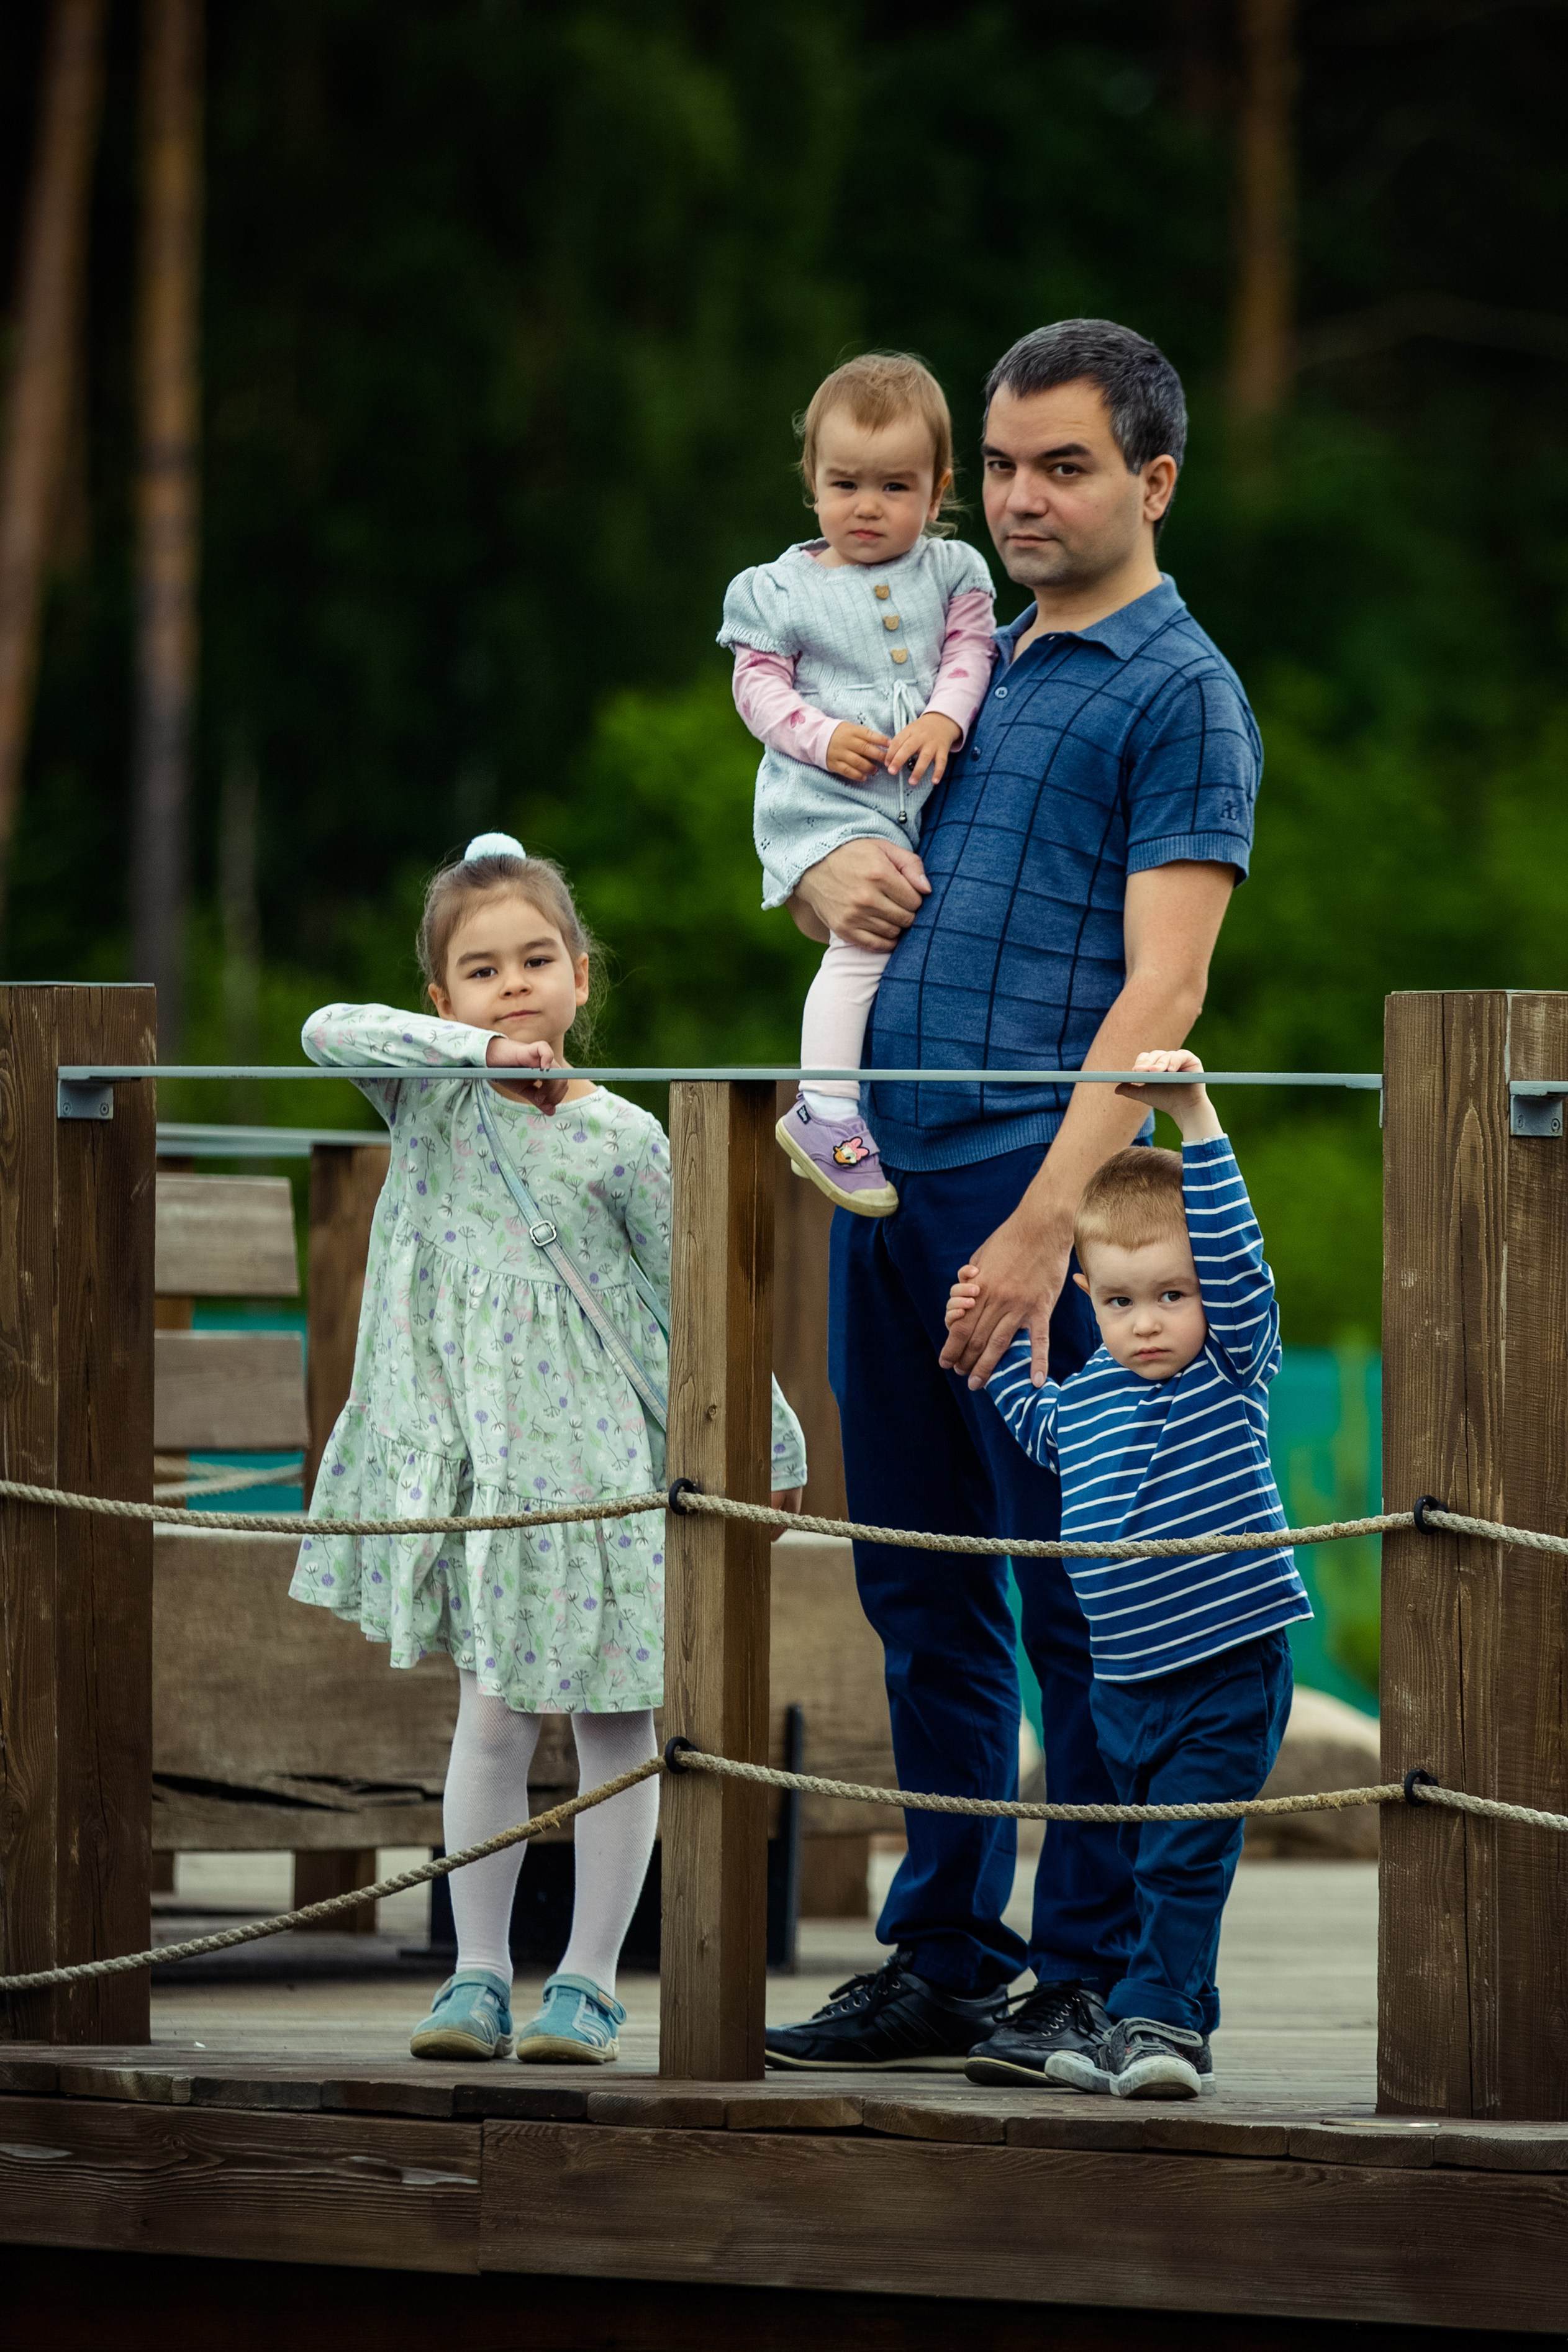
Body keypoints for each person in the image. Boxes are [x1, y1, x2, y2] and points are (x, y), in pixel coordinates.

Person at [764, 319, 1262, 2078]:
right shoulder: (956, 648)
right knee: (920, 1585)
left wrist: (1047, 1223)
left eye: (1064, 464)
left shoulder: (1180, 692)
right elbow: (817, 817)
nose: (1021, 495)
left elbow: (1165, 992)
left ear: (1153, 479)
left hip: (1039, 1182)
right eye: (999, 464)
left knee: (1079, 1593)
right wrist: (819, 878)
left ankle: (1091, 1969)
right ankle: (948, 1954)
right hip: (891, 1175)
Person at [291, 833, 806, 2066]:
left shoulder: (624, 1138)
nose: (513, 985)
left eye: (535, 961)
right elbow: (324, 1029)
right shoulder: (429, 1100)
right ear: (443, 999)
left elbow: (693, 1303)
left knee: (621, 1723)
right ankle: (475, 1974)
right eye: (481, 971)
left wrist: (772, 1438)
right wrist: (473, 1055)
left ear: (581, 975)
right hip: (488, 1478)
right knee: (493, 1718)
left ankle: (587, 1984)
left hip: (601, 1481)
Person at [949, 1050, 1310, 2099]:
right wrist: (988, 1339)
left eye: (1171, 1295)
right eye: (1118, 1301)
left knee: (1181, 1857)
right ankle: (1159, 2019)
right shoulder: (1090, 1394)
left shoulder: (1228, 1367)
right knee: (1149, 1861)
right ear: (1089, 1300)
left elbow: (1236, 1259)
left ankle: (1156, 2024)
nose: (1146, 1321)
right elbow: (1036, 1426)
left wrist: (1194, 1117)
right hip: (1123, 1683)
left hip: (1222, 1665)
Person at [718, 352, 995, 1217]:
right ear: (811, 481)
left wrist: (944, 718)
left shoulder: (955, 573)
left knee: (904, 924)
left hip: (920, 794)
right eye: (845, 484)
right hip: (827, 799)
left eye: (894, 486)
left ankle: (865, 1100)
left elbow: (972, 654)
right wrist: (823, 734)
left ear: (937, 490)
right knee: (864, 940)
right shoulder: (778, 589)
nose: (866, 507)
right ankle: (825, 1107)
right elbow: (757, 689)